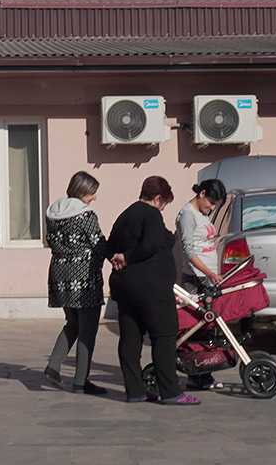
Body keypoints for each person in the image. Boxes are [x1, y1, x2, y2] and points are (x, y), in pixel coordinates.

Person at [106, 175, 199, 406]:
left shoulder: (125, 214)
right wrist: (128, 257)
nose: (163, 208)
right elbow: (150, 245)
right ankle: (170, 392)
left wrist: (119, 258)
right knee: (164, 336)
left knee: (130, 339)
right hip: (152, 289)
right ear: (158, 198)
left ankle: (135, 391)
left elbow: (109, 246)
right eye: (164, 203)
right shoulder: (151, 214)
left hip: (126, 289)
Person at [42, 171, 120, 394]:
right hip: (83, 277)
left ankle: (54, 366)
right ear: (82, 191)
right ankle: (80, 381)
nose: (93, 198)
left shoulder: (52, 213)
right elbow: (99, 243)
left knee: (72, 323)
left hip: (60, 274)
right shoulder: (85, 215)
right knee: (87, 329)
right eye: (91, 193)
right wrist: (115, 258)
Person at [175, 176, 229, 293]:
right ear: (202, 193)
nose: (213, 208)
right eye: (211, 203)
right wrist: (209, 273)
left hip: (208, 277)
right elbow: (188, 250)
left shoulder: (202, 213)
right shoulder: (188, 215)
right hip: (196, 278)